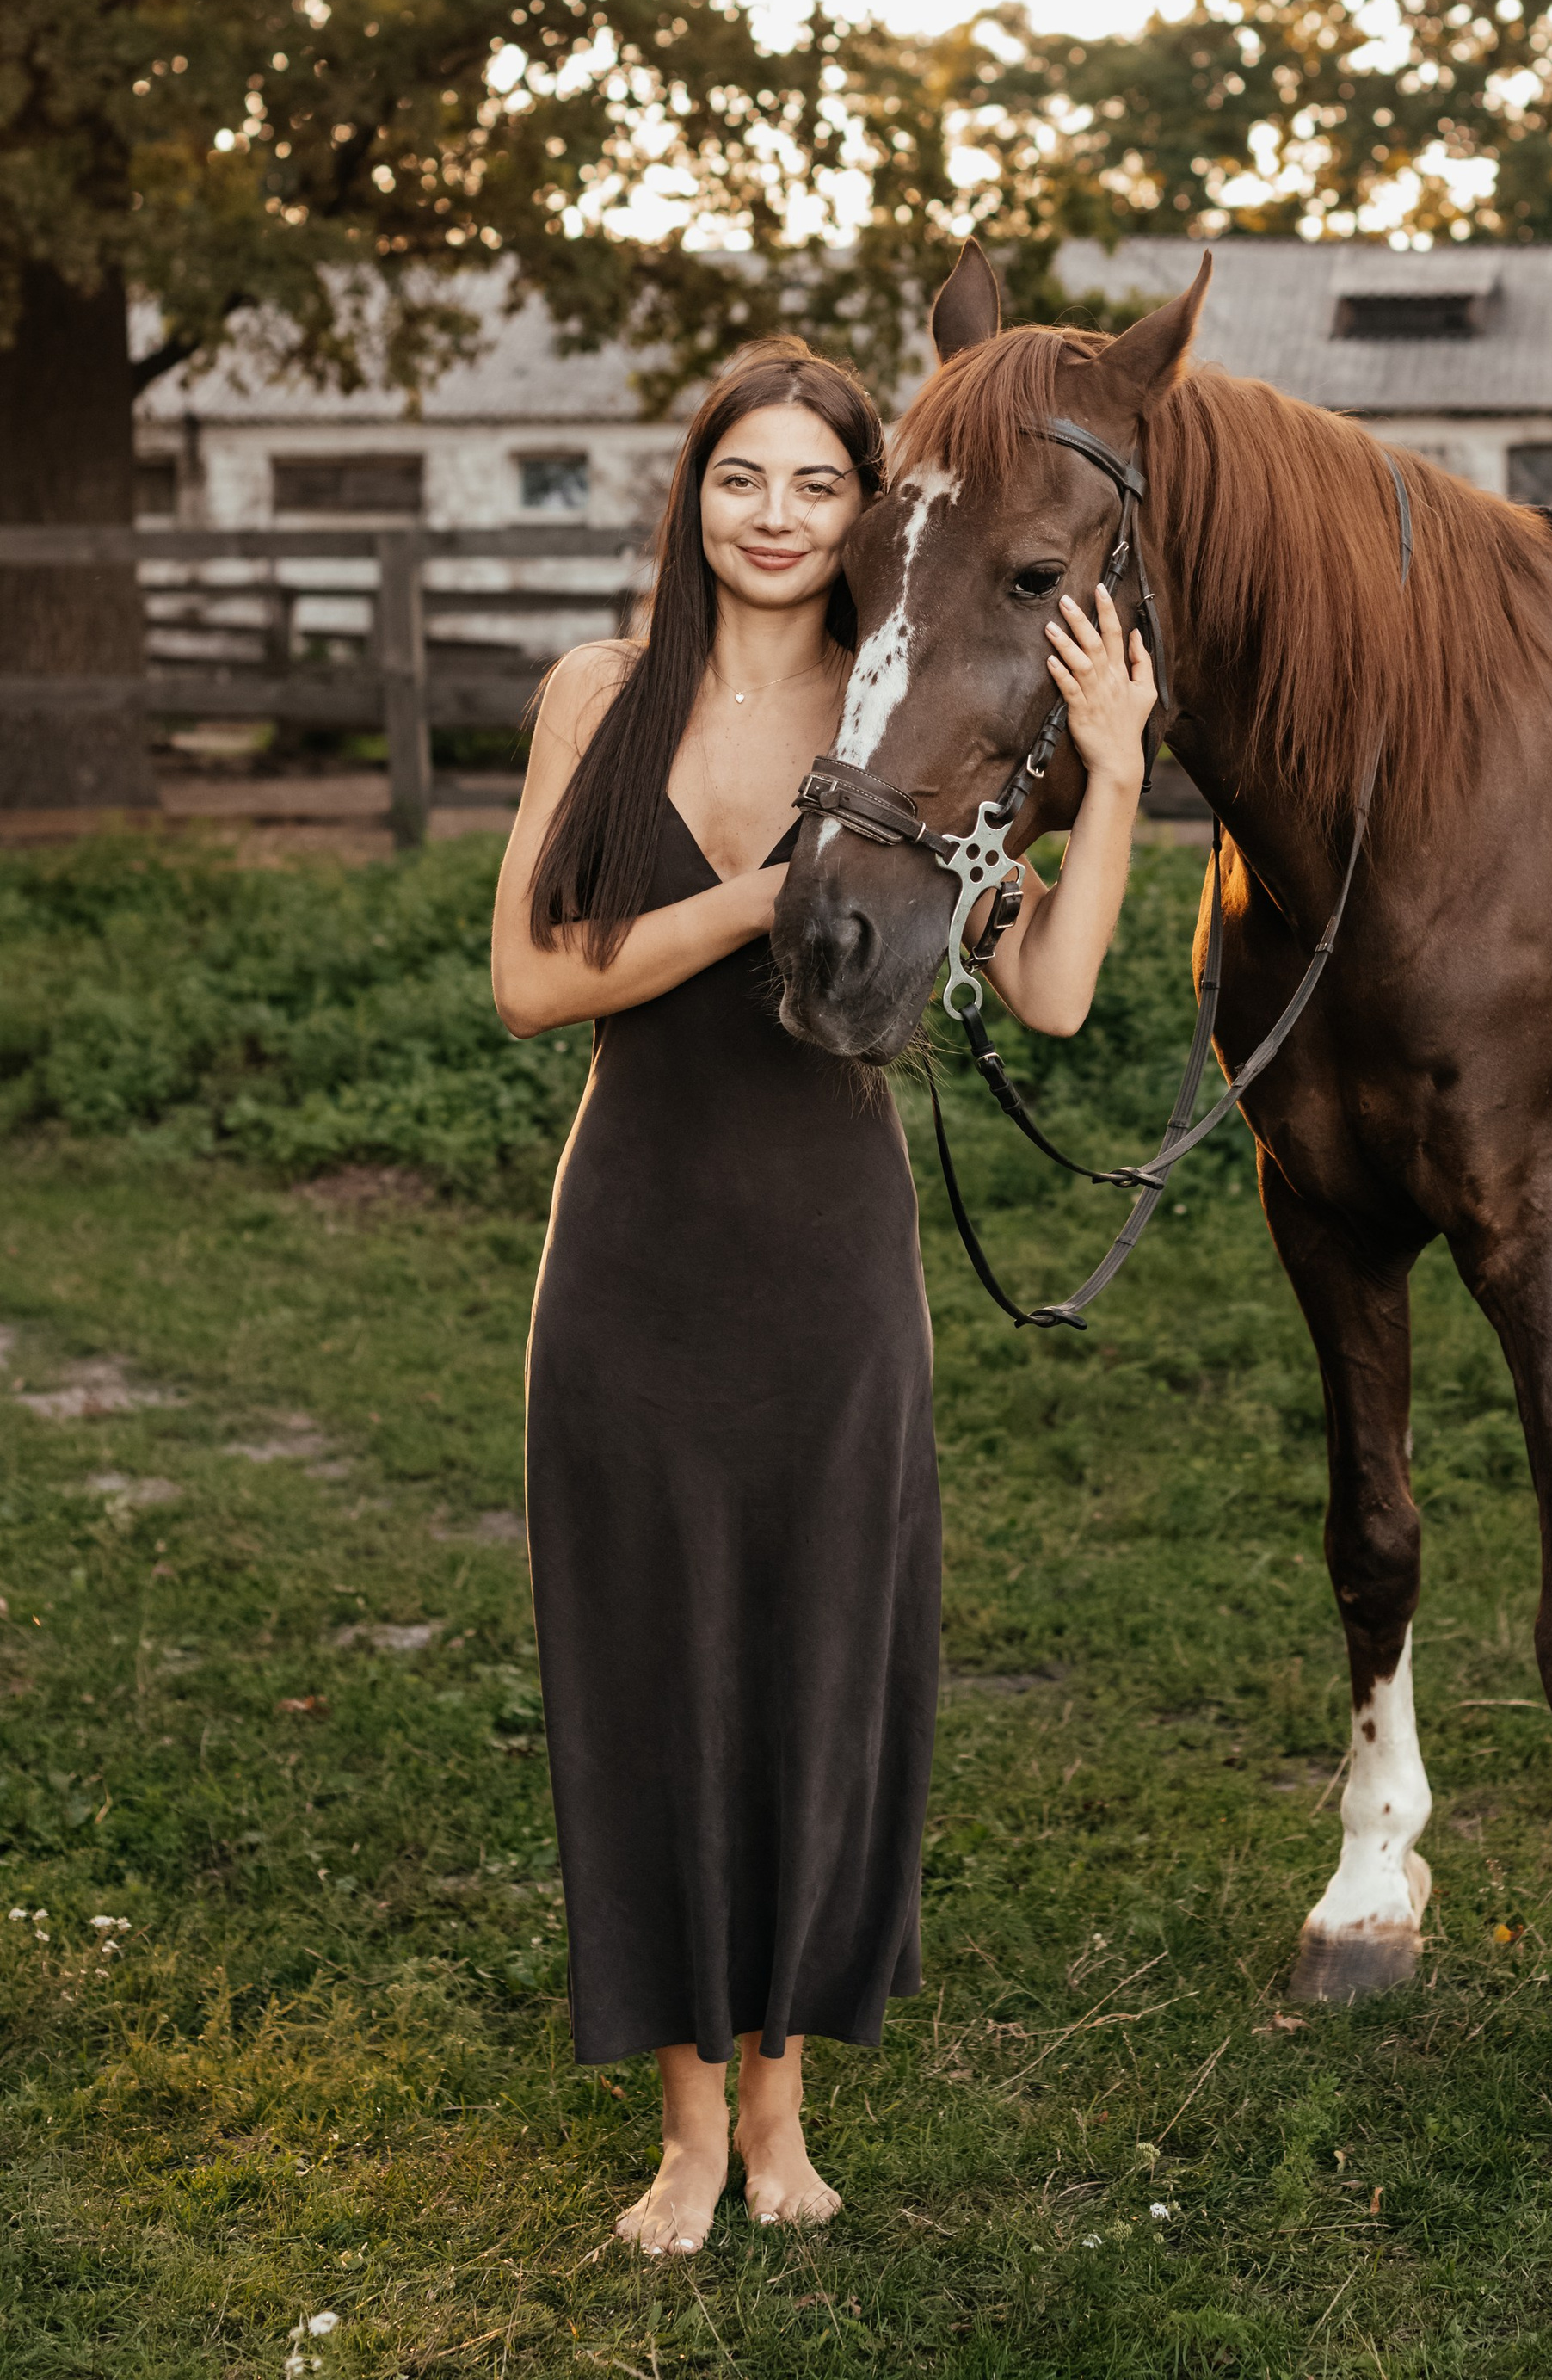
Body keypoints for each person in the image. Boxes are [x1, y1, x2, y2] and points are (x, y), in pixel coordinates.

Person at [490, 336, 1155, 2253]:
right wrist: (761, 893)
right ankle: (685, 2126)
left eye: (812, 488)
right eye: (740, 482)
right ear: (691, 499)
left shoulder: (918, 711)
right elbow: (533, 983)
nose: (776, 520)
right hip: (627, 1262)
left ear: (861, 513)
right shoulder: (599, 698)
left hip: (833, 1275)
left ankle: (780, 2108)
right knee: (645, 1682)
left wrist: (1103, 778)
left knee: (819, 1679)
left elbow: (1049, 994)